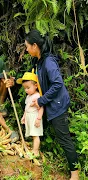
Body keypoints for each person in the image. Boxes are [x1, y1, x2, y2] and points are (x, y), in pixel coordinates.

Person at [25, 29, 79, 180]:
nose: (26, 49)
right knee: (61, 137)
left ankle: (75, 174)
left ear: (35, 46)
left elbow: (57, 84)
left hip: (58, 105)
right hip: (52, 104)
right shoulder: (40, 61)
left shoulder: (48, 62)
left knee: (64, 139)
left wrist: (41, 100)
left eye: (27, 46)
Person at [17, 71, 44, 157]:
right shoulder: (29, 96)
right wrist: (24, 117)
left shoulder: (37, 96)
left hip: (34, 117)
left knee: (36, 135)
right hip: (29, 116)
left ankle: (35, 152)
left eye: (28, 88)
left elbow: (41, 108)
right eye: (25, 88)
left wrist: (39, 118)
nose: (26, 90)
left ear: (36, 86)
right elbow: (27, 108)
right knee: (33, 134)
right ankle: (33, 150)